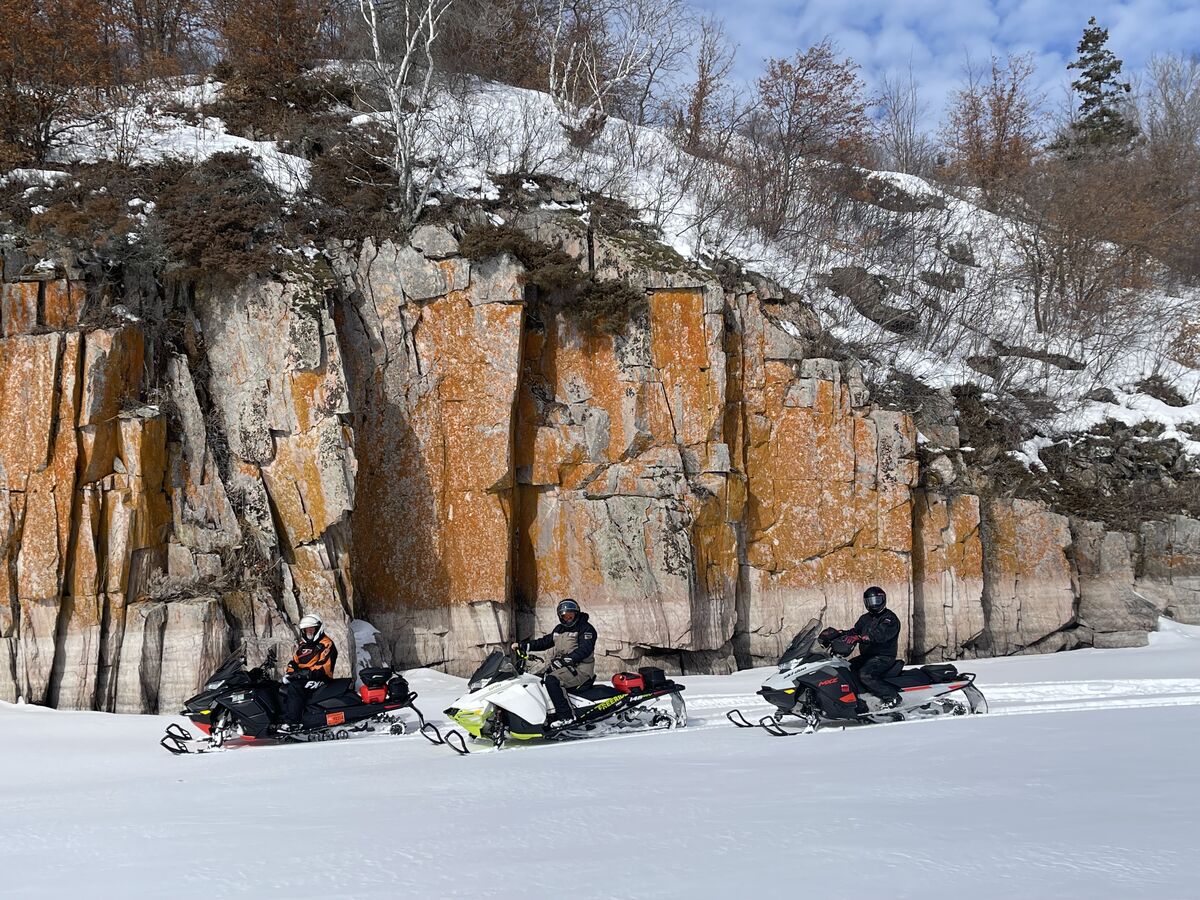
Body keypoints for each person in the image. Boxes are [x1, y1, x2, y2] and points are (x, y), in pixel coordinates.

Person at [510, 599, 597, 723]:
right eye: (565, 616)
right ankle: (543, 714)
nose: (568, 619)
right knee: (535, 679)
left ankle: (566, 717)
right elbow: (545, 642)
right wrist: (523, 645)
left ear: (576, 614)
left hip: (581, 669)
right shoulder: (559, 629)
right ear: (560, 617)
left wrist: (565, 660)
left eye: (571, 615)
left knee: (552, 680)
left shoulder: (586, 629)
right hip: (564, 666)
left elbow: (585, 650)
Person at [819, 586, 902, 709]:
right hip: (867, 656)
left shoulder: (889, 619)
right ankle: (858, 699)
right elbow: (855, 631)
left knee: (865, 674)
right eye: (870, 601)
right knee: (846, 669)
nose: (873, 604)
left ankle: (892, 697)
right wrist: (839, 633)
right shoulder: (865, 618)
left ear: (883, 600)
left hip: (883, 657)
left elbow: (880, 635)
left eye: (877, 601)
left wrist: (861, 638)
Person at [280, 614, 338, 731]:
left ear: (318, 629)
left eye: (311, 629)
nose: (309, 632)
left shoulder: (327, 644)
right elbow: (294, 662)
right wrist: (290, 673)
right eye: (306, 630)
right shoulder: (303, 645)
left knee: (296, 687)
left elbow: (324, 666)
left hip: (320, 678)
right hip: (303, 677)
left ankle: (293, 723)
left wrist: (305, 673)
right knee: (280, 688)